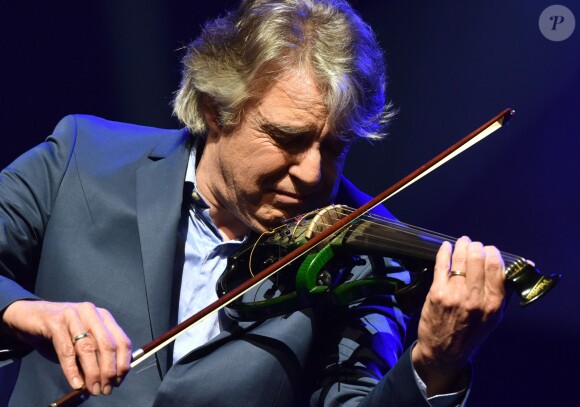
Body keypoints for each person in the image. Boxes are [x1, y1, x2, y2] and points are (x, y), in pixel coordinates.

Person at [0, 0, 506, 405]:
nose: (313, 174)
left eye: (334, 147)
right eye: (287, 138)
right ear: (215, 110)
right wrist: (25, 312)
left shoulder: (364, 260)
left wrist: (434, 366)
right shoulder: (81, 157)